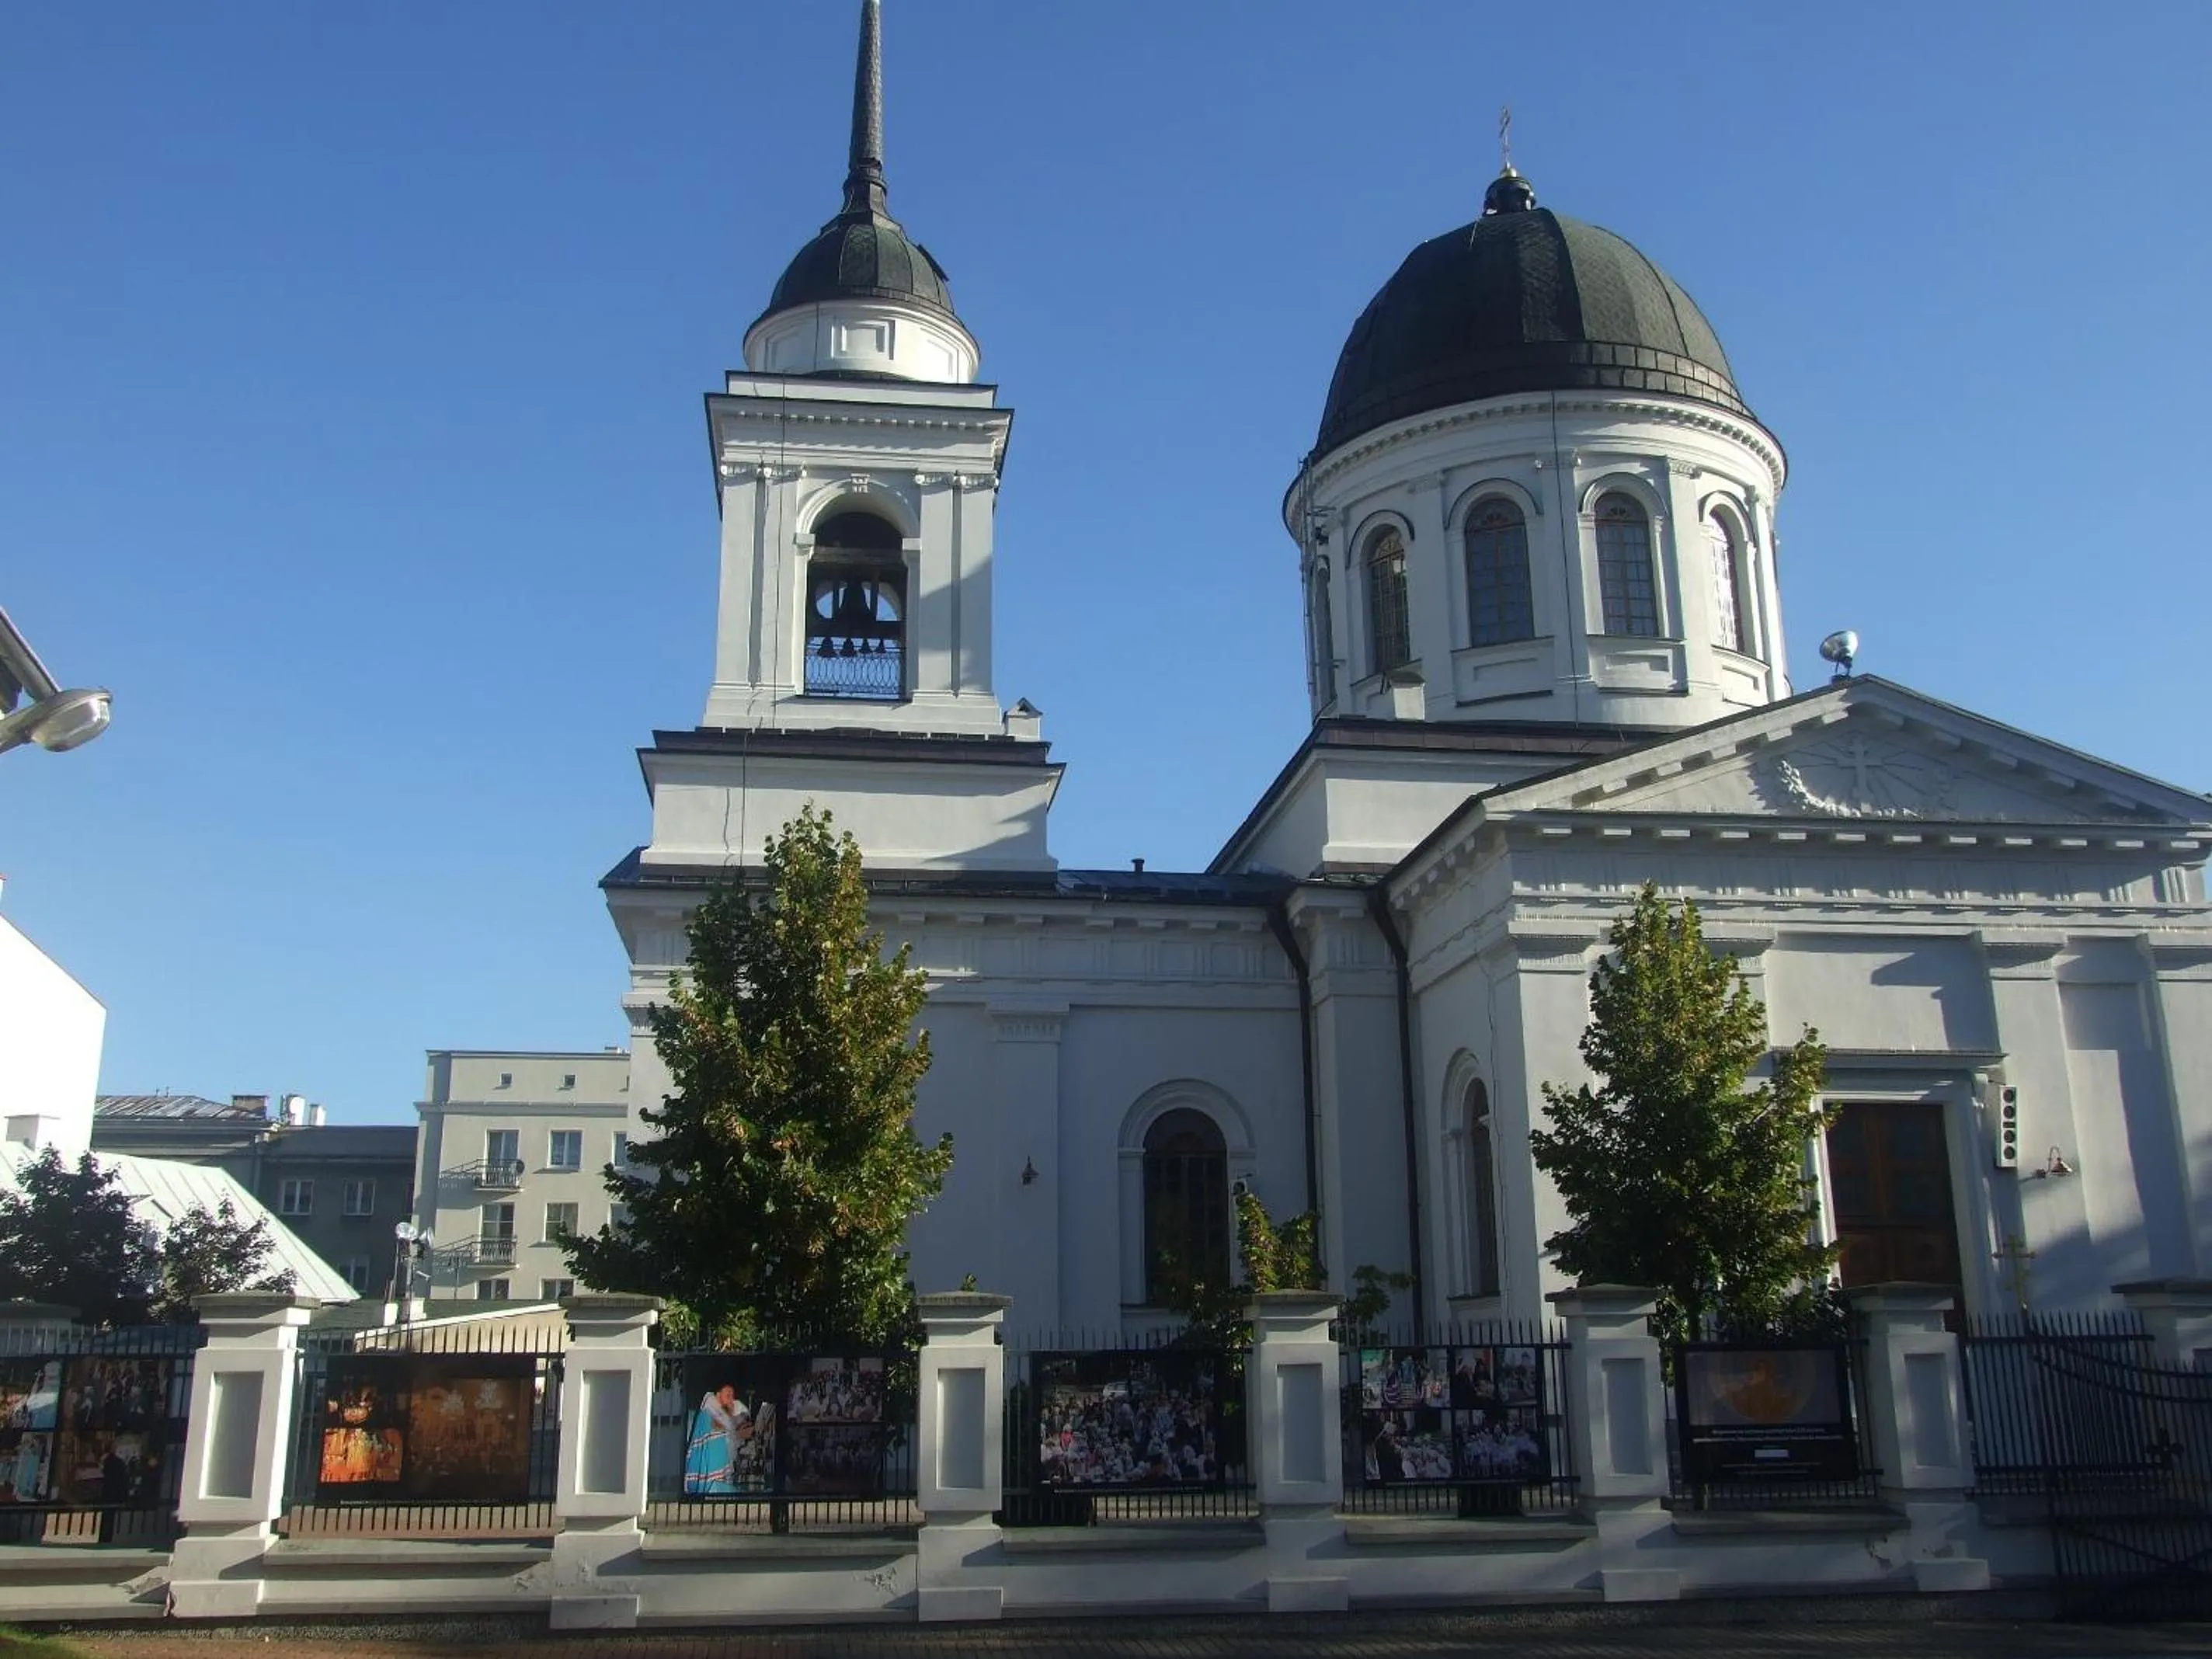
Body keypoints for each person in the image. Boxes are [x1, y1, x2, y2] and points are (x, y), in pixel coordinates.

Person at [683, 1384, 750, 1496]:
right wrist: (739, 1434)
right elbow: (719, 1435)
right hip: (710, 1485)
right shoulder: (709, 1408)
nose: (731, 1400)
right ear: (718, 1394)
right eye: (728, 1395)